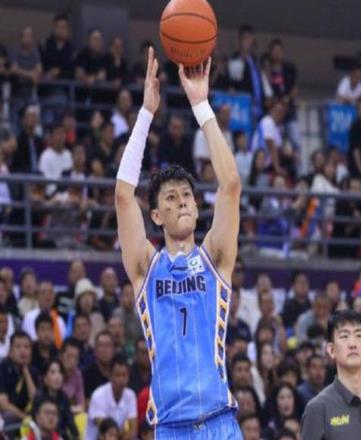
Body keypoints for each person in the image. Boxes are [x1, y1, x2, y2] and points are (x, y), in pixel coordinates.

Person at [114, 48, 242, 437]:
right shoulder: (146, 267)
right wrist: (146, 113)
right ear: (156, 216)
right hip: (171, 427)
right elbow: (123, 197)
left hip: (220, 422)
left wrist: (201, 105)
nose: (182, 201)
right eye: (170, 198)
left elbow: (230, 185)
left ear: (197, 207)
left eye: (186, 195)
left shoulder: (215, 257)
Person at [300, 310, 361, 439]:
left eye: (358, 335)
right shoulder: (318, 409)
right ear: (331, 350)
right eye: (344, 336)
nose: (352, 344)